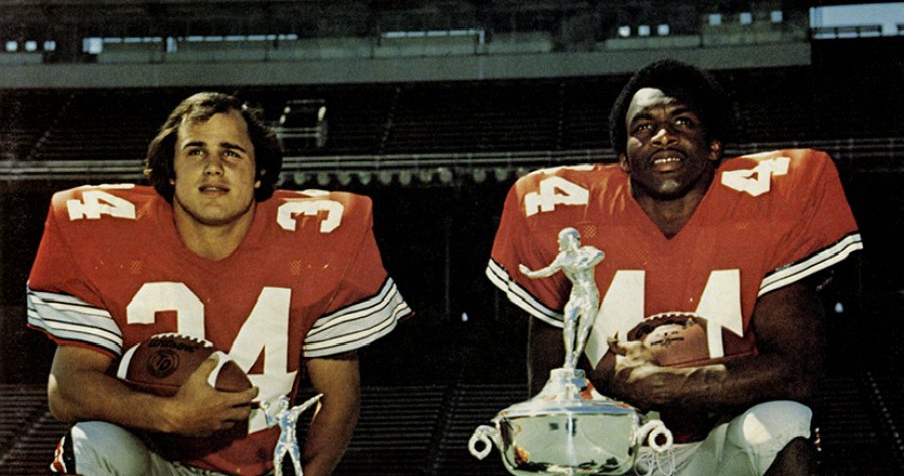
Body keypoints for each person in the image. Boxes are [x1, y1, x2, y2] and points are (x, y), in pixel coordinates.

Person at [486, 59, 863, 475]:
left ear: (713, 146)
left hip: (722, 441)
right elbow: (548, 389)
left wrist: (665, 385)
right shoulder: (563, 215)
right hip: (612, 446)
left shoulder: (770, 203)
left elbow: (798, 373)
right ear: (624, 158)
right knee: (553, 451)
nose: (663, 136)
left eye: (682, 122)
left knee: (784, 424)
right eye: (643, 128)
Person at [26, 92, 412, 476]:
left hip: (262, 468)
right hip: (154, 460)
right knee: (90, 444)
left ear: (259, 171)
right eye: (195, 151)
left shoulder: (317, 238)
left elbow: (340, 404)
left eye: (231, 152)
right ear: (171, 170)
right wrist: (169, 414)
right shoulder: (108, 233)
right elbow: (67, 390)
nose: (213, 166)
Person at [519, 227, 605, 369]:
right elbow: (548, 271)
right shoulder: (563, 257)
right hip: (576, 294)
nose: (559, 242)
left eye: (562, 240)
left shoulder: (587, 251)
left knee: (584, 328)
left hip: (589, 295)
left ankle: (576, 356)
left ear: (569, 240)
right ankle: (569, 355)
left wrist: (586, 263)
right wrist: (530, 274)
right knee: (569, 321)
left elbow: (600, 254)